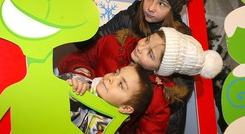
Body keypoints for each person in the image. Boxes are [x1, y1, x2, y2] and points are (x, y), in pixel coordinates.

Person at [72, 0, 204, 133]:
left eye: (162, 3)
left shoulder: (180, 40)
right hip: (105, 104)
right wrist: (82, 24)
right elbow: (92, 45)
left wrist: (143, 95)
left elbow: (180, 92)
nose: (150, 7)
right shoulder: (128, 17)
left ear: (173, 10)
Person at [58, 27, 223, 133]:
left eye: (150, 54)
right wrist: (81, 76)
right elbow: (75, 59)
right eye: (147, 39)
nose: (141, 47)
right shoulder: (114, 43)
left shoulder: (157, 101)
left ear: (159, 69)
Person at [60, 65, 154, 134]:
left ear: (125, 108)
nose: (111, 78)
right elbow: (48, 86)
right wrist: (64, 89)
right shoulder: (80, 82)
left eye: (121, 84)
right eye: (116, 72)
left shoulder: (108, 129)